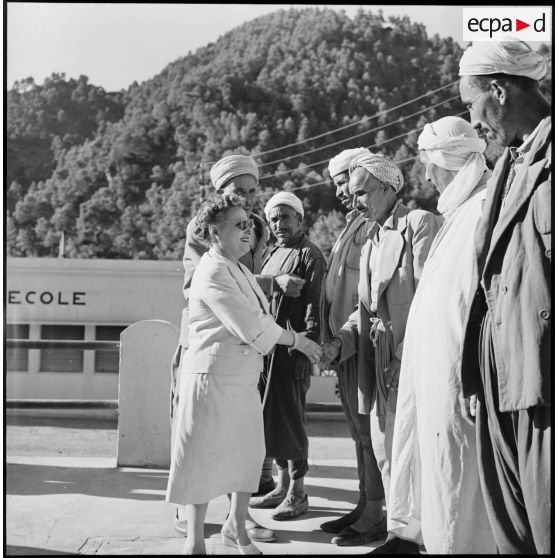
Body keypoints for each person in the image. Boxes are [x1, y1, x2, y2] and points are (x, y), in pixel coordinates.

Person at [165, 193, 323, 555]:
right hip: (212, 379)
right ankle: (194, 542)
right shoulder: (213, 270)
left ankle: (236, 528)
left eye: (249, 223)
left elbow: (260, 318)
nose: (248, 230)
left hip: (241, 378)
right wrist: (298, 340)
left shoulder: (235, 266)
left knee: (247, 456)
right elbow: (250, 323)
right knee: (203, 460)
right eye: (238, 225)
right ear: (214, 233)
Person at [385, 116, 496, 553]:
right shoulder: (459, 211)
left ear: (446, 162)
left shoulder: (485, 206)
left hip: (462, 386)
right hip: (438, 384)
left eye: (429, 165)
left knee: (462, 493)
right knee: (442, 485)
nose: (427, 177)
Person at [321, 152, 441, 554]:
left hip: (410, 360)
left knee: (414, 452)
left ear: (389, 188)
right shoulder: (371, 238)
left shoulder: (419, 224)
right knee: (386, 452)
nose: (355, 200)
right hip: (375, 361)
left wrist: (405, 356)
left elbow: (430, 297)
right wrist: (340, 342)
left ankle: (418, 537)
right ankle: (397, 533)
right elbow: (365, 310)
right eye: (352, 193)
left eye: (362, 192)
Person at [458, 41, 551, 554]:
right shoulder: (508, 168)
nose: (473, 123)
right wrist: (475, 377)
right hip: (498, 389)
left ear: (497, 90)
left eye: (470, 105)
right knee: (512, 539)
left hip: (544, 389)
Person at [317, 148, 385, 547]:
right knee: (359, 435)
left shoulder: (374, 225)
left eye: (345, 182)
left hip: (363, 346)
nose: (342, 191)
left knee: (370, 433)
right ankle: (364, 504)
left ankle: (376, 512)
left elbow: (371, 297)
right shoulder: (352, 225)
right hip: (344, 347)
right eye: (338, 184)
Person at [249, 192, 326, 520]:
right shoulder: (273, 253)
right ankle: (281, 487)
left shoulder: (310, 254)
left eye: (285, 217)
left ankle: (298, 492)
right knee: (274, 421)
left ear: (299, 218)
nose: (279, 224)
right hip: (270, 349)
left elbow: (315, 306)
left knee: (292, 422)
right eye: (273, 219)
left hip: (293, 351)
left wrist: (305, 350)